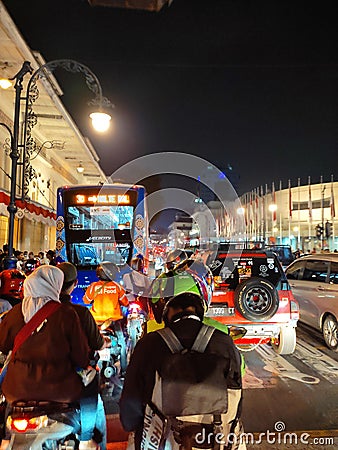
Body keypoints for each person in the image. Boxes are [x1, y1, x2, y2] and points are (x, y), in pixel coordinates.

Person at [119, 292, 245, 450]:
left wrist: (132, 427)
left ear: (169, 313)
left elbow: (130, 400)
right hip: (215, 440)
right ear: (197, 312)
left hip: (163, 440)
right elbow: (237, 392)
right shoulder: (224, 342)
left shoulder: (149, 344)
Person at [0, 265, 90, 446]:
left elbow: (3, 343)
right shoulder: (66, 314)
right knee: (91, 392)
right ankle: (88, 440)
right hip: (59, 391)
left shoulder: (15, 313)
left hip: (17, 391)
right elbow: (81, 356)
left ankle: (5, 439)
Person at [58, 262, 110, 450]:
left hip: (26, 387)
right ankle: (88, 439)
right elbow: (96, 344)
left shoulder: (24, 313)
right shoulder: (78, 313)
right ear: (74, 283)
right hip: (72, 379)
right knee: (93, 399)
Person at [83, 262, 129, 375]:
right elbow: (126, 302)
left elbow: (86, 301)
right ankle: (123, 370)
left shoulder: (93, 286)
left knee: (86, 342)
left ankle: (86, 366)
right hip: (113, 322)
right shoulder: (117, 286)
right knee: (121, 345)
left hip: (96, 322)